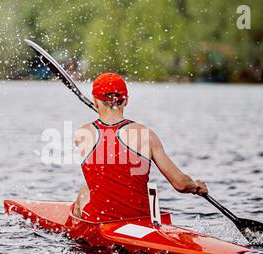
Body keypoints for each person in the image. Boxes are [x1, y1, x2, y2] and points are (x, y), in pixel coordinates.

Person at [73, 73, 208, 221]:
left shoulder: (81, 135)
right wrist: (195, 186)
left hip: (101, 223)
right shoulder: (146, 135)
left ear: (95, 101)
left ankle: (77, 229)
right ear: (126, 101)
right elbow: (181, 184)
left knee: (84, 192)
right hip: (140, 220)